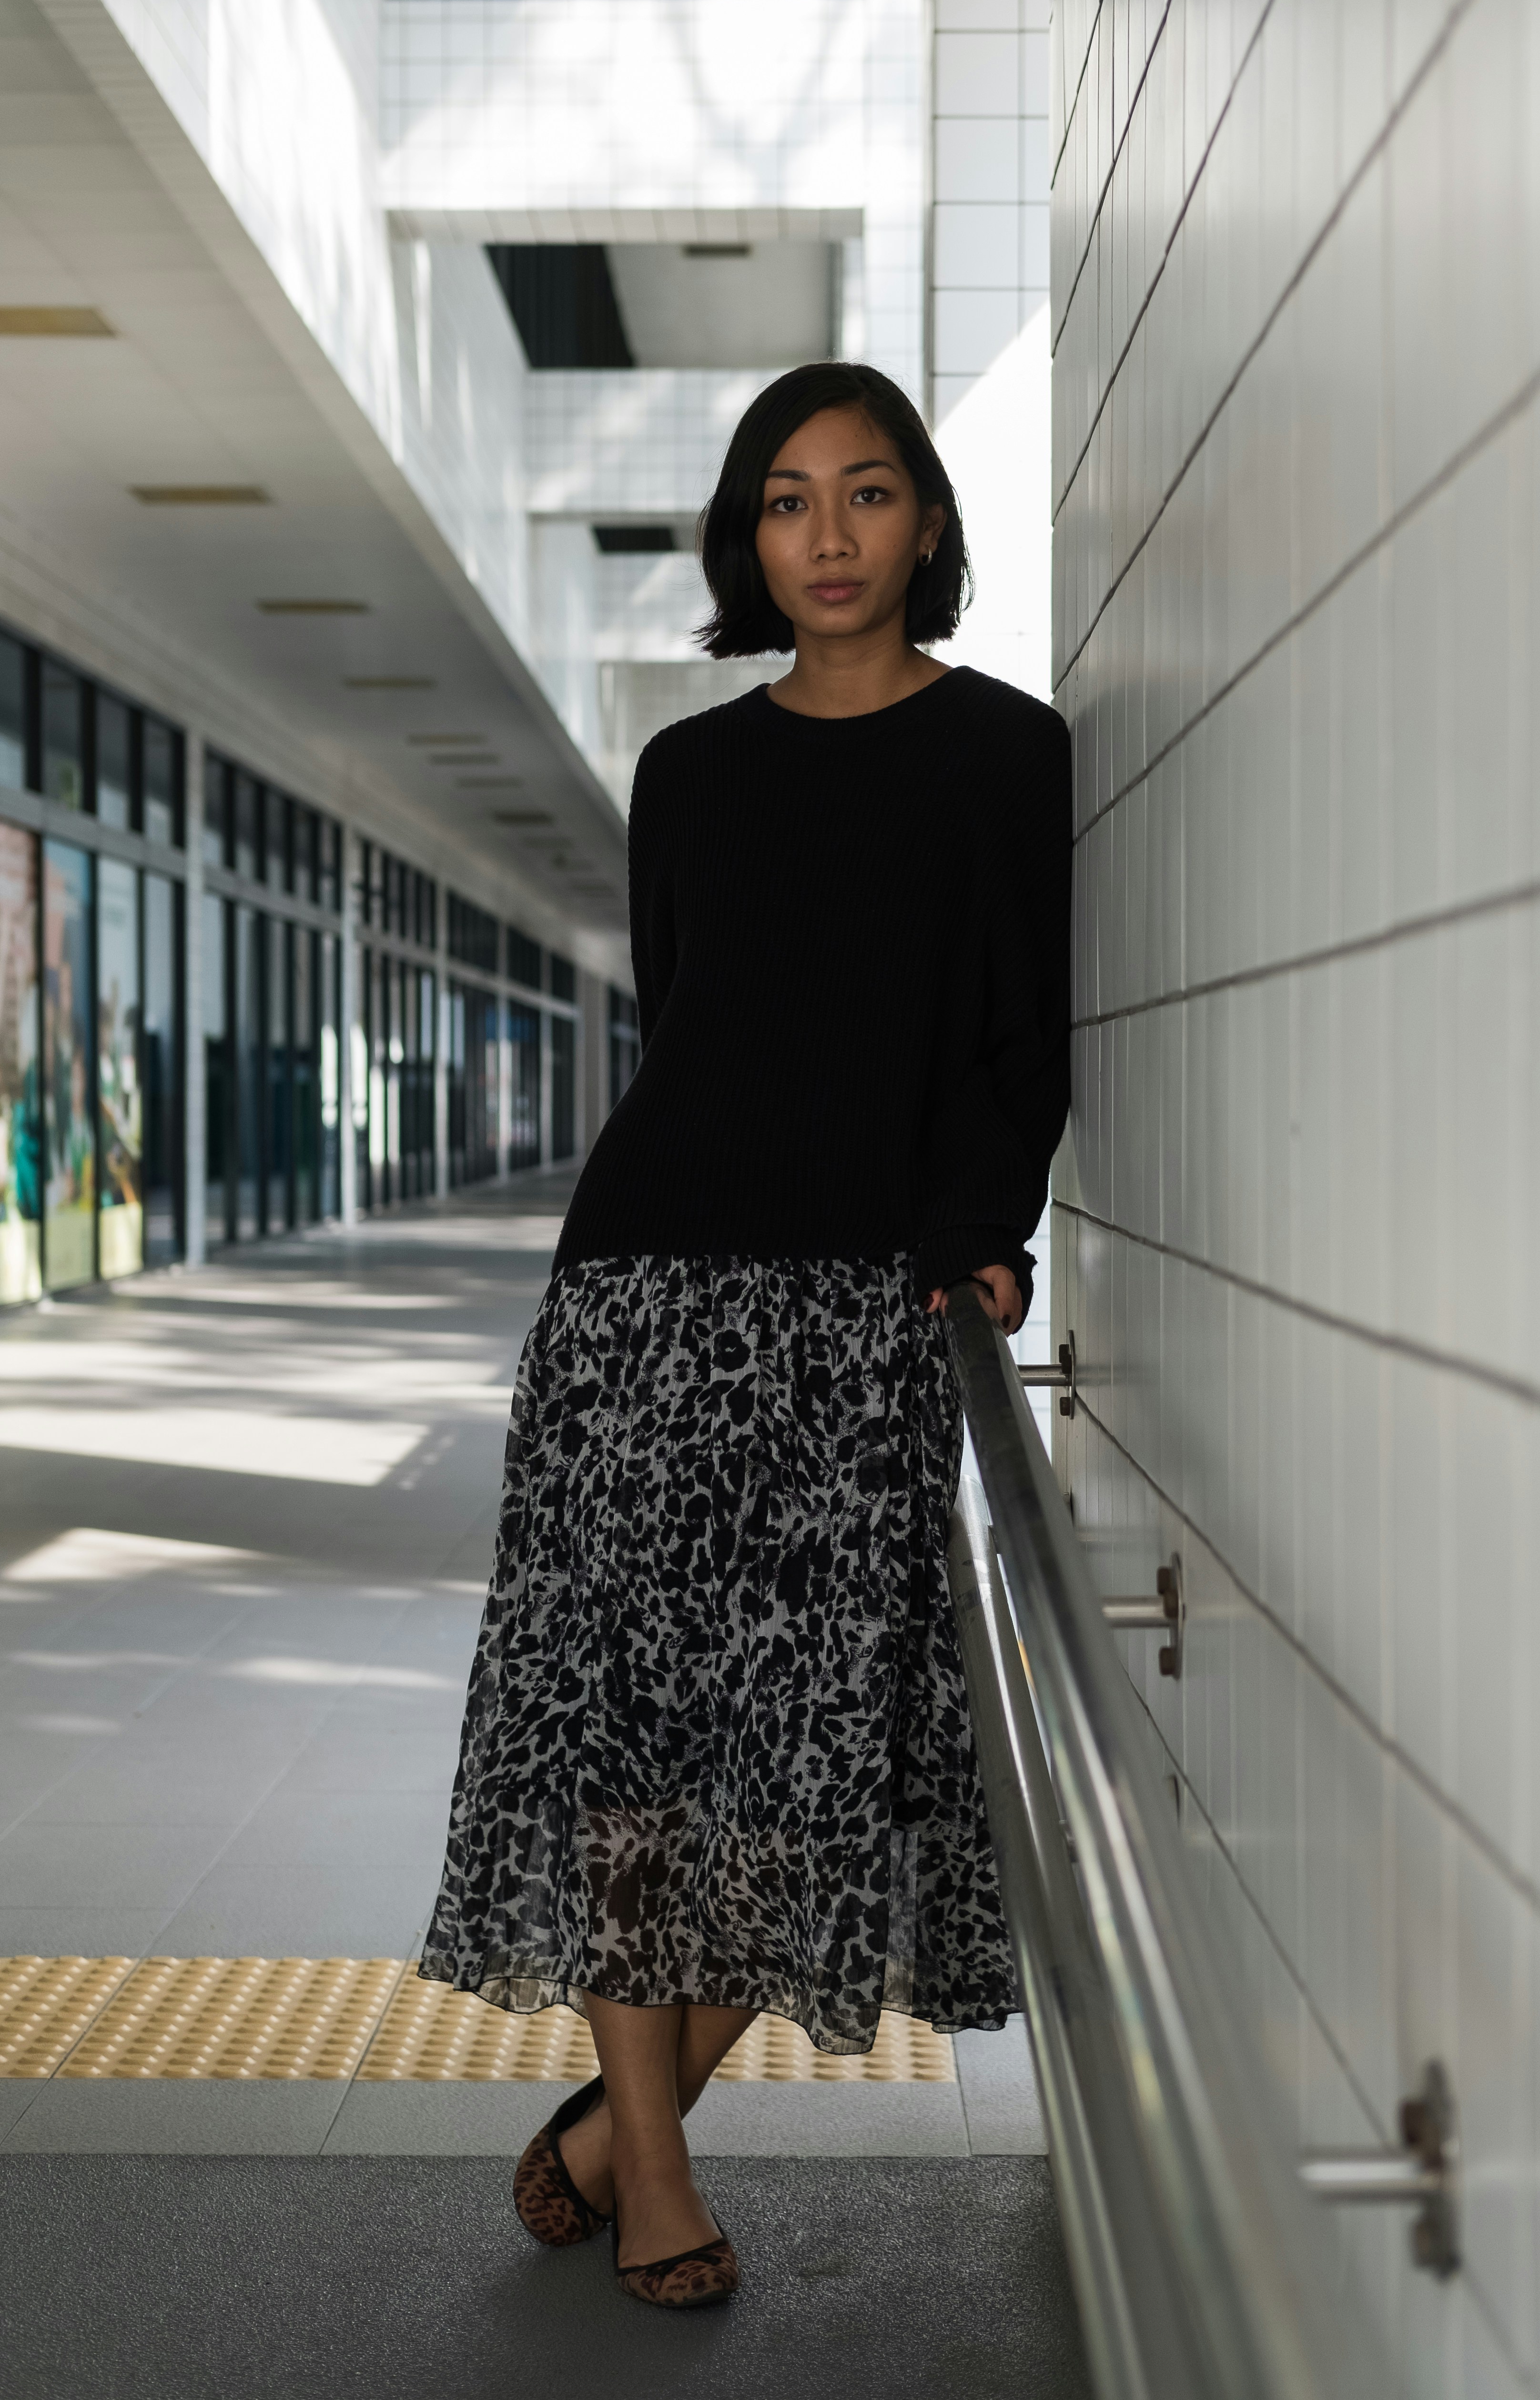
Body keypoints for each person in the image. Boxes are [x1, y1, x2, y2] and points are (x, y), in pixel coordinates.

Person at [420, 360, 1072, 2309]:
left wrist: (982, 1236)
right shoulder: (692, 771)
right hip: (642, 1298)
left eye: (868, 495)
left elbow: (1017, 1032)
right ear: (746, 541)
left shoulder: (1007, 755)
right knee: (632, 1744)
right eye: (786, 503)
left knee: (809, 1757)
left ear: (930, 523)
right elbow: (688, 1022)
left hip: (859, 1312)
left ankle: (622, 2122)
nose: (831, 536)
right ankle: (663, 2176)